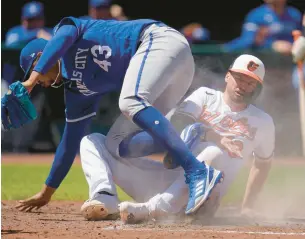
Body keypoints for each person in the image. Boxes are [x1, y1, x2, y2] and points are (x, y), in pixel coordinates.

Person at [8, 16, 223, 215]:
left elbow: (64, 35)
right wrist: (47, 192)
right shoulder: (76, 90)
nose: (40, 83)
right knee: (115, 144)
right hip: (168, 67)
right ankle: (185, 135)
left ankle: (197, 172)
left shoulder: (66, 32)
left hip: (159, 42)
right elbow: (69, 142)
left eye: (34, 73)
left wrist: (30, 80)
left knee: (129, 102)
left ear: (40, 59)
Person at [80, 54, 275, 223]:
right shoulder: (205, 96)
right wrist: (213, 135)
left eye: (250, 83)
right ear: (227, 76)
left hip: (203, 195)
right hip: (168, 175)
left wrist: (248, 206)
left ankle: (155, 209)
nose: (242, 86)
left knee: (214, 152)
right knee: (94, 141)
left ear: (256, 88)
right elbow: (179, 122)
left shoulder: (263, 121)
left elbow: (263, 164)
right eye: (239, 78)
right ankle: (104, 197)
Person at [223, 0, 302, 55]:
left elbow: (301, 39)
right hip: (263, 65)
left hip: (290, 66)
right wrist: (272, 45)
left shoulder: (294, 15)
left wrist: (292, 46)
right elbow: (247, 41)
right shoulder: (256, 15)